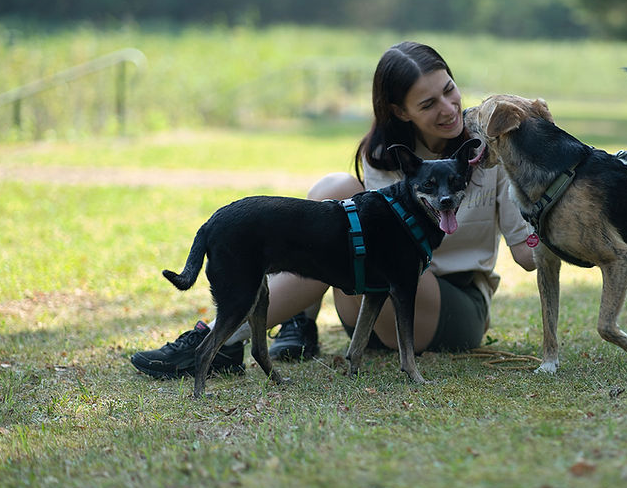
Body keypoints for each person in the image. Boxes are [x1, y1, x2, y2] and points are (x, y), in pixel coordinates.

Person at [131, 41, 536, 379]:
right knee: (333, 194)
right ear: (400, 111)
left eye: (450, 90)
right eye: (428, 103)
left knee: (356, 245)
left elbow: (528, 257)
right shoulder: (386, 156)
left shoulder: (490, 151)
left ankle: (222, 340)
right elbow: (374, 240)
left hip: (449, 305)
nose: (448, 108)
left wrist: (547, 212)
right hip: (377, 300)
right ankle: (295, 323)